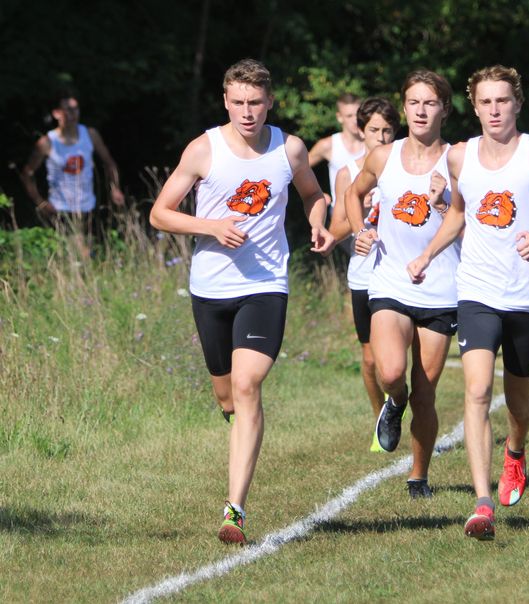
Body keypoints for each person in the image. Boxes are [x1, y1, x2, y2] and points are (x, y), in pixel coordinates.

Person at [149, 58, 334, 545]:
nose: (247, 112)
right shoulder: (203, 149)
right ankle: (240, 429)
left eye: (256, 103)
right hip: (210, 287)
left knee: (249, 384)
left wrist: (317, 219)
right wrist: (210, 226)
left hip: (265, 283)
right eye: (238, 103)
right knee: (228, 395)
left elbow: (314, 194)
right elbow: (160, 214)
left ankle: (234, 511)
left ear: (269, 102)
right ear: (225, 102)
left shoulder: (288, 148)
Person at [407, 65, 529, 540]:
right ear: (474, 105)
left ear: (517, 103)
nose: (494, 110)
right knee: (477, 391)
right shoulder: (460, 157)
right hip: (477, 292)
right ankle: (482, 501)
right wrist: (427, 253)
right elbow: (460, 217)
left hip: (527, 297)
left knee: (520, 399)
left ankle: (516, 451)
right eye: (485, 102)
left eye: (502, 101)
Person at [344, 70, 457, 498]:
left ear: (444, 109)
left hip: (441, 286)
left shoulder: (459, 161)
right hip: (390, 279)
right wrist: (361, 232)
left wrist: (445, 201)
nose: (422, 110)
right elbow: (354, 195)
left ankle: (418, 476)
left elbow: (475, 221)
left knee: (426, 395)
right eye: (414, 102)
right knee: (390, 370)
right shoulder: (383, 157)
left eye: (430, 103)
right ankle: (393, 402)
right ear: (404, 107)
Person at [327, 97, 401, 445]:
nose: (381, 138)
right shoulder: (349, 173)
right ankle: (380, 420)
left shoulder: (407, 167)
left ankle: (401, 406)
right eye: (374, 130)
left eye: (388, 130)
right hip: (364, 275)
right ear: (361, 130)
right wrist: (360, 218)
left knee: (401, 361)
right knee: (371, 359)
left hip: (402, 274)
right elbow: (335, 227)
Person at [19, 88, 125, 253]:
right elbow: (27, 174)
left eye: (75, 109)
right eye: (68, 109)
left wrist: (115, 188)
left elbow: (109, 162)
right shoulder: (47, 142)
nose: (73, 113)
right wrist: (40, 202)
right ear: (56, 113)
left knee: (89, 249)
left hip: (87, 205)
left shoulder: (90, 135)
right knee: (74, 252)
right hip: (59, 208)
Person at [308, 92, 365, 206]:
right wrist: (316, 194)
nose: (355, 120)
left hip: (371, 218)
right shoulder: (329, 145)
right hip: (339, 216)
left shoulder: (373, 143)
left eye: (357, 115)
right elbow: (297, 169)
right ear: (339, 117)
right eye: (349, 116)